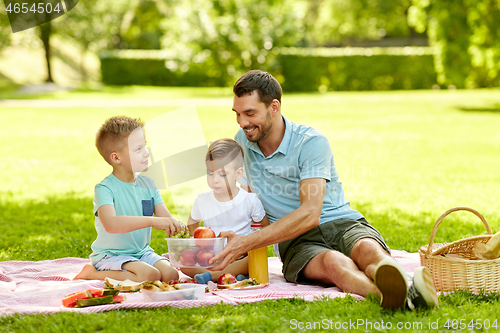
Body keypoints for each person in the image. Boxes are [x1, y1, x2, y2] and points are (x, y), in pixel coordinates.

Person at [208, 70, 439, 310]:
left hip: (341, 222)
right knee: (333, 263)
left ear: (274, 107)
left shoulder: (310, 142)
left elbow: (310, 213)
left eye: (250, 113)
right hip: (296, 241)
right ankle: (400, 296)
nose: (242, 122)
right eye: (237, 114)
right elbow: (246, 203)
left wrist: (247, 242)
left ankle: (403, 283)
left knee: (368, 250)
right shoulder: (243, 141)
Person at [74, 116, 184, 283]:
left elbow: (166, 218)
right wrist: (152, 221)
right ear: (116, 158)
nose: (146, 153)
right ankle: (92, 273)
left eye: (145, 146)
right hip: (111, 255)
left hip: (141, 252)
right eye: (138, 149)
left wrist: (179, 226)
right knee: (149, 276)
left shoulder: (149, 184)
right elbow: (111, 224)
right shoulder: (104, 188)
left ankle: (138, 268)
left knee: (171, 275)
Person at [182, 138, 269, 283]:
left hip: (241, 255)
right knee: (185, 264)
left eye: (222, 175)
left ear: (238, 174)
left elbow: (264, 227)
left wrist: (247, 242)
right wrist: (201, 243)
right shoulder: (202, 199)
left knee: (253, 259)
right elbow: (192, 222)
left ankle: (213, 276)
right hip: (212, 256)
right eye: (210, 173)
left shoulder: (250, 200)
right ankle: (237, 275)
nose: (215, 179)